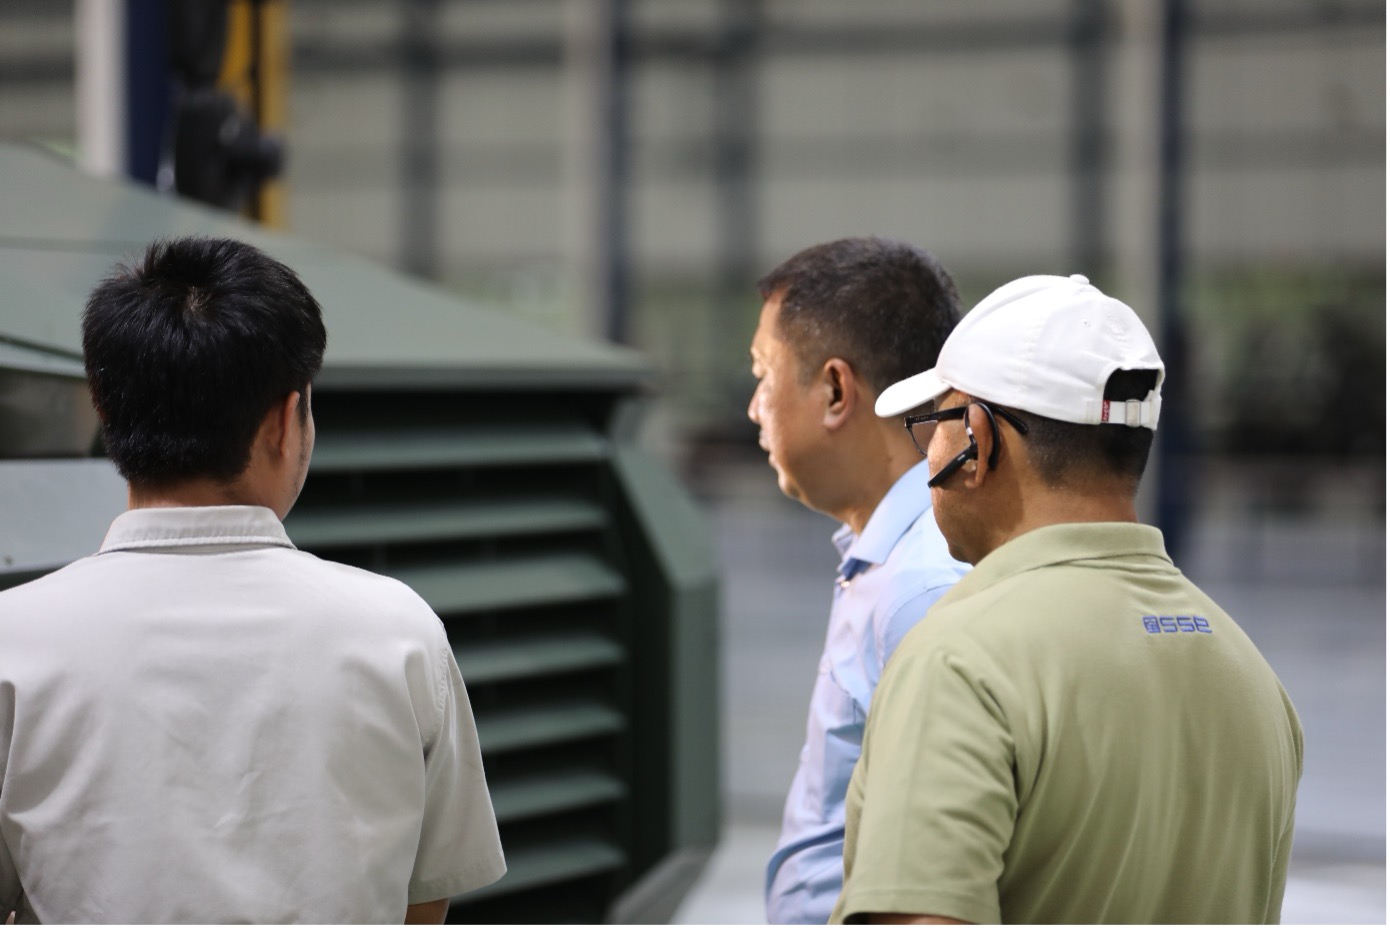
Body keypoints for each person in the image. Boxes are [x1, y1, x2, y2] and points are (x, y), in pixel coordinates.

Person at [0, 237, 506, 923]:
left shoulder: (14, 639)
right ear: (282, 421)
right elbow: (425, 901)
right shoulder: (399, 633)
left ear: (104, 406)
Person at [832, 274, 1303, 924]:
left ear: (976, 438)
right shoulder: (1252, 676)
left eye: (933, 427)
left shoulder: (960, 661)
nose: (926, 460)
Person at [748, 237, 970, 924]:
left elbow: (941, 874)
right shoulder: (889, 561)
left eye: (765, 375)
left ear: (837, 390)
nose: (756, 407)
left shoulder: (923, 590)